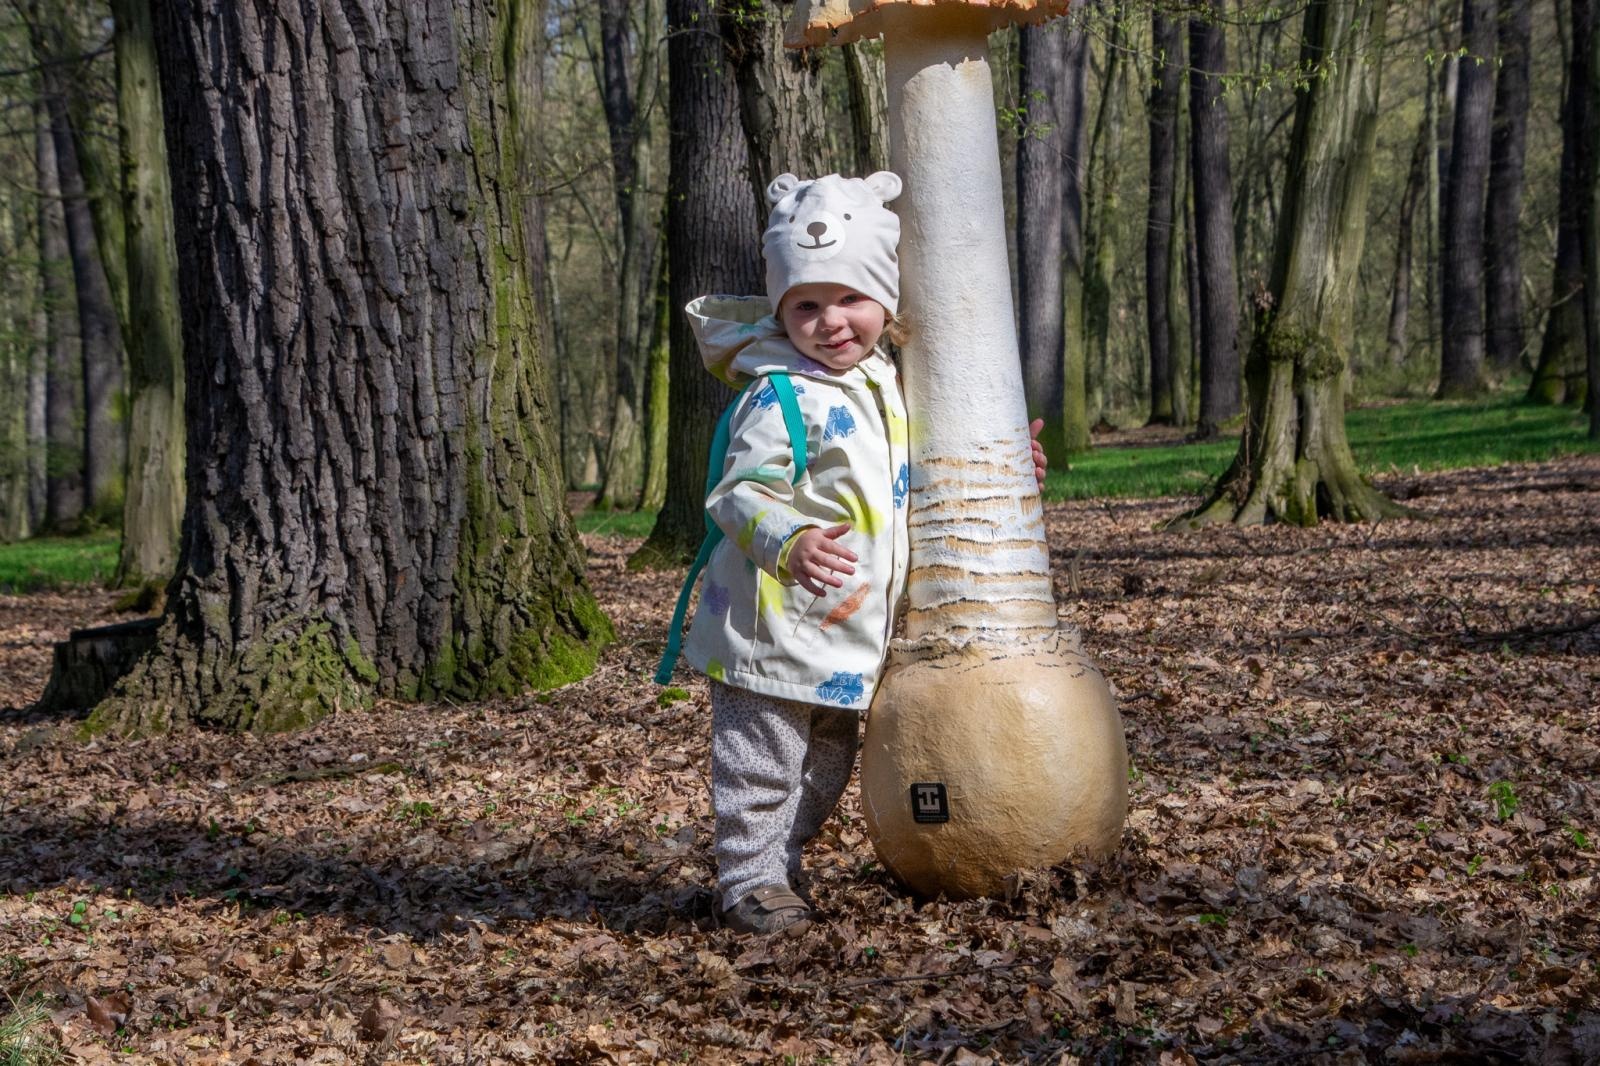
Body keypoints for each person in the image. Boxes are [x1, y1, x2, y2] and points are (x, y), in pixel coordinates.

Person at [678, 171, 1047, 935]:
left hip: (847, 638)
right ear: (782, 311)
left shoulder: (885, 386)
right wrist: (791, 539)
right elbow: (735, 495)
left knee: (824, 771)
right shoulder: (778, 393)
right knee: (762, 764)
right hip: (771, 629)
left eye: (850, 299)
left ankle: (781, 866)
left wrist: (1013, 465)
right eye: (806, 305)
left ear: (885, 300)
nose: (831, 321)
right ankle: (749, 881)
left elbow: (921, 465)